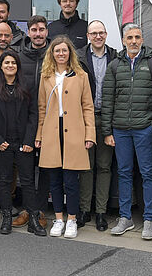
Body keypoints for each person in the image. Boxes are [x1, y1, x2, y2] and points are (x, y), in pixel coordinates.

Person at [101, 23, 152, 241]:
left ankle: (149, 220)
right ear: (124, 40)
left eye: (137, 37)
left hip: (144, 129)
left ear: (142, 39)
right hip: (121, 130)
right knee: (124, 173)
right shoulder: (115, 65)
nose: (133, 41)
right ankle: (125, 218)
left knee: (148, 174)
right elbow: (107, 100)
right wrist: (108, 131)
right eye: (129, 37)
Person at [35, 35, 96, 239]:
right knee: (54, 180)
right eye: (57, 50)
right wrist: (39, 136)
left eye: (64, 50)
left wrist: (90, 135)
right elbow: (41, 108)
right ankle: (58, 218)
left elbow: (88, 107)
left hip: (74, 131)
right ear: (51, 54)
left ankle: (72, 219)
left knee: (71, 180)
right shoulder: (46, 77)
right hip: (52, 130)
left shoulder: (81, 76)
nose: (61, 54)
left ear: (70, 52)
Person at [0, 49, 47, 236]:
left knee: (27, 181)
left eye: (13, 63)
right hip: (3, 143)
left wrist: (29, 140)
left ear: (17, 66)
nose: (10, 66)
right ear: (1, 66)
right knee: (4, 181)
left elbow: (33, 114)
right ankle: (6, 218)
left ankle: (33, 219)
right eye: (6, 63)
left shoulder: (27, 85)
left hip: (23, 144)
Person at [12, 15, 51, 229]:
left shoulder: (55, 54)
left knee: (45, 168)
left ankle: (40, 210)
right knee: (27, 169)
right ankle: (28, 209)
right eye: (34, 30)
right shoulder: (20, 56)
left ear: (47, 31)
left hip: (49, 119)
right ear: (28, 32)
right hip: (25, 120)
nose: (38, 33)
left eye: (41, 29)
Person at [77, 20, 117, 230]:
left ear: (106, 34)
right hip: (85, 117)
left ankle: (101, 212)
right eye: (94, 33)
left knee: (104, 166)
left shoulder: (116, 56)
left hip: (107, 117)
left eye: (101, 33)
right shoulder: (79, 56)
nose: (98, 36)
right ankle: (85, 210)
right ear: (88, 35)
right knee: (86, 167)